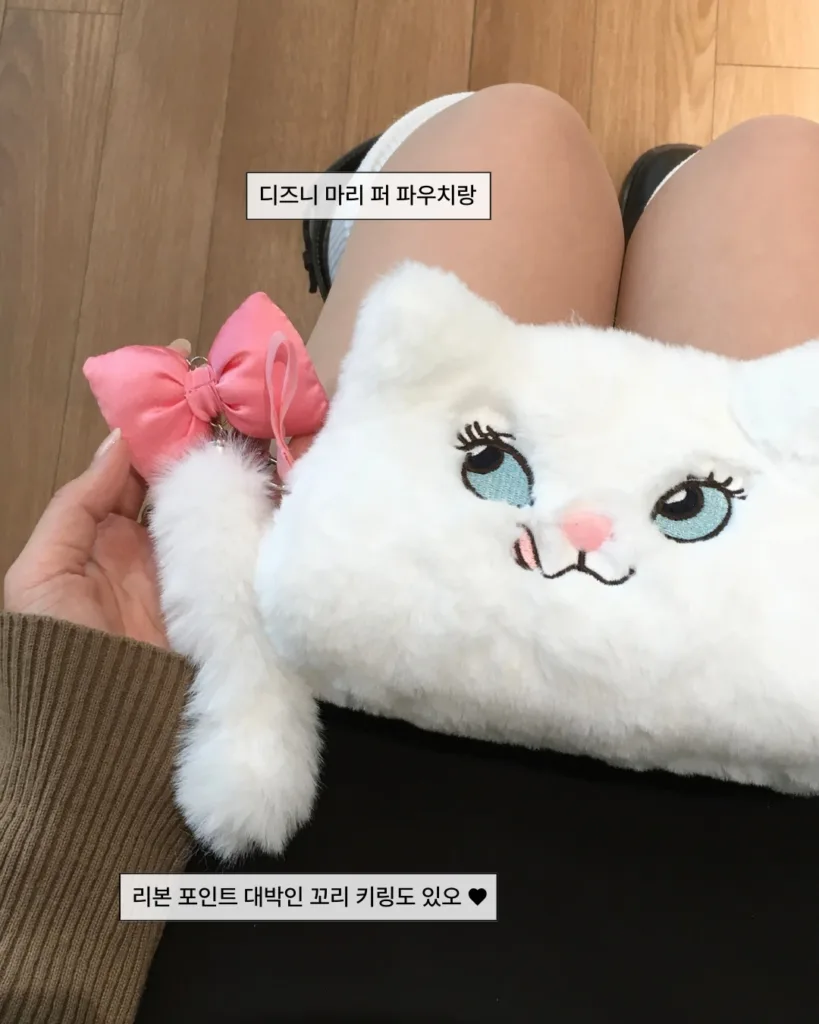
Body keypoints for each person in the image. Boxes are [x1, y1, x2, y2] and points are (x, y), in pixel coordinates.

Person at [3, 84, 819, 1023]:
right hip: (749, 790)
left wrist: (75, 760)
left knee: (514, 145)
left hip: (315, 749)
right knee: (773, 175)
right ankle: (592, 202)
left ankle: (395, 210)